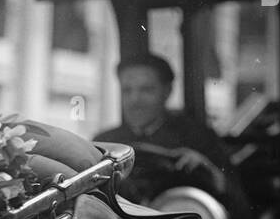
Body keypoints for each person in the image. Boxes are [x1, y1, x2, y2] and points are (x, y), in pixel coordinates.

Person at [94, 52, 240, 201]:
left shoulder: (198, 138)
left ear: (167, 91)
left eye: (146, 90)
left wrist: (207, 170)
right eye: (127, 91)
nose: (135, 100)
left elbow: (238, 206)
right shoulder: (104, 143)